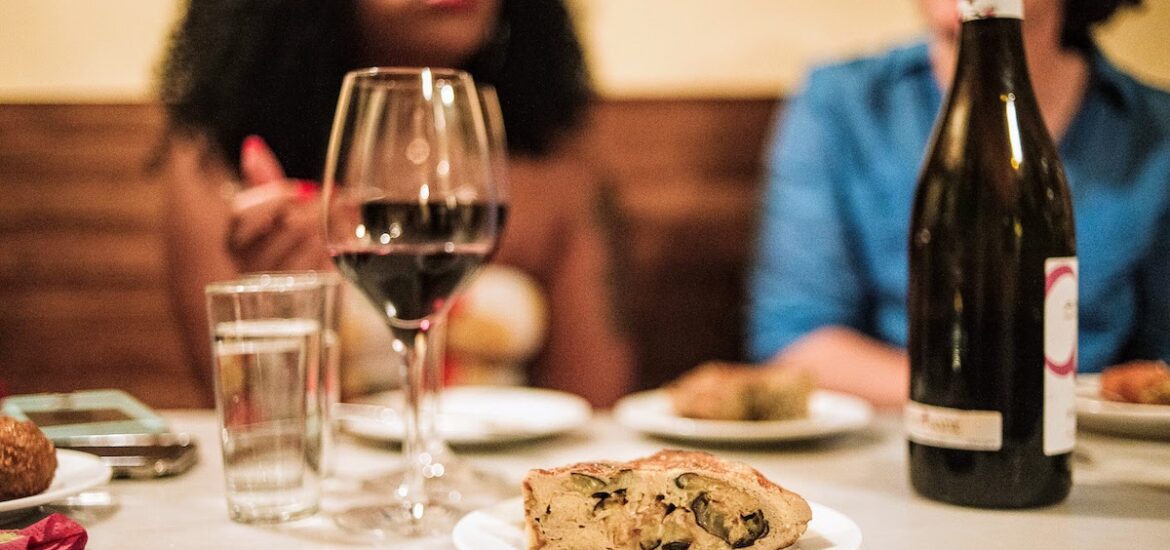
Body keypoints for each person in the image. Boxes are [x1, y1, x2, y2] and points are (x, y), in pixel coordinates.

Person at [154, 0, 634, 407]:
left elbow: (594, 407)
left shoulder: (556, 155)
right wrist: (278, 304)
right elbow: (239, 418)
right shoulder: (225, 156)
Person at [748, 0, 1168, 409]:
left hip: (1094, 449)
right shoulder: (842, 104)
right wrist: (992, 412)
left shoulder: (1154, 131)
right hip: (908, 437)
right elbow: (794, 338)